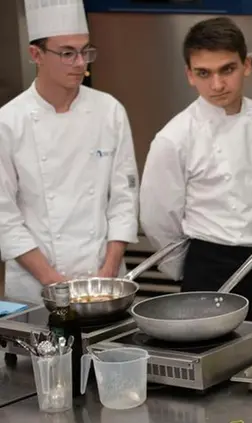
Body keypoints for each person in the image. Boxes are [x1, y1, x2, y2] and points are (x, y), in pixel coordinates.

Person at [139, 17, 252, 328]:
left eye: (227, 70)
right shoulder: (174, 138)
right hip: (210, 269)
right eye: (204, 73)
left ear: (246, 65)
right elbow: (157, 217)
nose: (217, 85)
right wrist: (189, 268)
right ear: (189, 75)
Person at [0, 0, 139, 304]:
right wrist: (55, 283)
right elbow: (4, 216)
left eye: (85, 51)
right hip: (35, 290)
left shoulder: (109, 111)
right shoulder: (8, 122)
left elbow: (124, 198)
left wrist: (109, 269)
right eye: (67, 53)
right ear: (35, 55)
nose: (80, 63)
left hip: (105, 283)